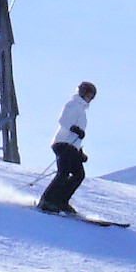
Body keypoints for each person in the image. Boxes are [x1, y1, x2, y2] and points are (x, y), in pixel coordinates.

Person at [36, 79, 98, 216]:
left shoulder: (82, 111)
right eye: (89, 95)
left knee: (79, 175)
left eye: (92, 97)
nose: (90, 99)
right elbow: (63, 120)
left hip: (72, 147)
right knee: (63, 173)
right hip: (62, 144)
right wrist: (74, 128)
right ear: (82, 93)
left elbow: (76, 136)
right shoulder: (73, 104)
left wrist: (80, 152)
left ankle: (61, 201)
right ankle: (46, 201)